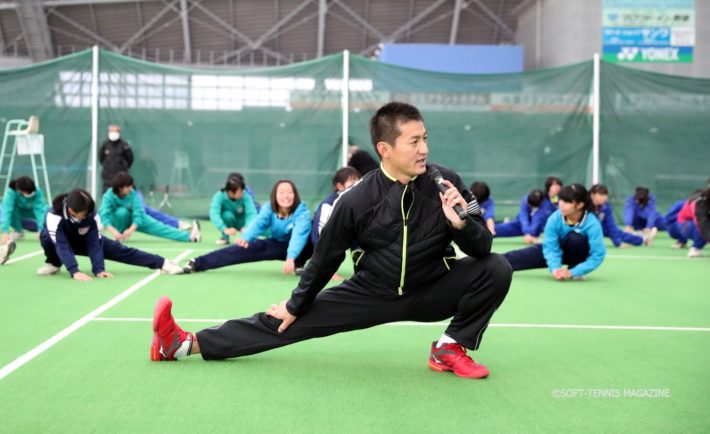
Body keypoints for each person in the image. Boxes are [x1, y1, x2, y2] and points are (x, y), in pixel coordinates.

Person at [151, 102, 512, 380]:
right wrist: (295, 305)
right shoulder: (356, 200)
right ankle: (183, 345)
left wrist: (462, 223)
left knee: (498, 268)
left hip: (434, 287)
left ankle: (449, 347)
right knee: (285, 322)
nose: (424, 149)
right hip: (373, 292)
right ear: (385, 149)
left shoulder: (447, 183)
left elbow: (482, 250)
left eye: (425, 139)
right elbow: (324, 258)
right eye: (414, 141)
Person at [36, 189, 185, 280]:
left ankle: (164, 263)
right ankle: (54, 264)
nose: (88, 215)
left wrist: (98, 269)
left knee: (123, 250)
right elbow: (61, 245)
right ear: (71, 211)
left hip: (84, 241)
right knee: (46, 236)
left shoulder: (91, 215)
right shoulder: (53, 215)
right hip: (62, 242)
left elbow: (94, 242)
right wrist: (74, 270)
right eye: (84, 213)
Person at [184, 179, 312, 275]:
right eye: (281, 192)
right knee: (241, 248)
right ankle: (197, 263)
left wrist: (291, 257)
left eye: (290, 192)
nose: (286, 196)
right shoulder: (269, 208)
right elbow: (258, 223)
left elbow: (298, 236)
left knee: (310, 239)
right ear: (275, 195)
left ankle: (298, 264)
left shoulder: (302, 211)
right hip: (278, 246)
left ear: (295, 195)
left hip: (301, 250)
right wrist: (246, 238)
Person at [503, 184, 606, 280]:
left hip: (578, 254)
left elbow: (597, 255)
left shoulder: (592, 223)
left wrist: (573, 272)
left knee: (576, 238)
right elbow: (550, 246)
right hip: (555, 250)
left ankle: (576, 270)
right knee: (515, 258)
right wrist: (555, 268)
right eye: (561, 200)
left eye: (567, 202)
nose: (561, 204)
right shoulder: (555, 218)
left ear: (579, 205)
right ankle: (493, 263)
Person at [100, 172, 201, 243]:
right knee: (122, 212)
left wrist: (130, 230)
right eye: (128, 187)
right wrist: (115, 232)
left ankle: (189, 236)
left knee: (160, 227)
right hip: (117, 222)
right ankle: (120, 237)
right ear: (120, 188)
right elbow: (104, 215)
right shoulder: (108, 196)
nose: (131, 188)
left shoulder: (133, 194)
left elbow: (138, 213)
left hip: (134, 222)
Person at [590, 184, 655, 247]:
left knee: (617, 232)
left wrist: (617, 243)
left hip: (600, 228)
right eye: (601, 195)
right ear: (592, 195)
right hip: (586, 230)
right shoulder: (585, 205)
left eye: (605, 195)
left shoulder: (606, 206)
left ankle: (644, 239)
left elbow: (611, 226)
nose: (604, 197)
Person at [310, 166, 361, 246]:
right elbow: (319, 236)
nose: (357, 185)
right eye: (352, 182)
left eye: (358, 181)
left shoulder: (361, 201)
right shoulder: (328, 205)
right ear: (339, 186)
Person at [210, 173, 258, 245]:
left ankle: (246, 238)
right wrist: (224, 229)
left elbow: (252, 213)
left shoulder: (245, 195)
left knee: (264, 227)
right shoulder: (219, 196)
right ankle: (225, 238)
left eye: (242, 190)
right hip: (229, 222)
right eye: (240, 191)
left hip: (242, 222)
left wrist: (247, 227)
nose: (243, 193)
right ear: (230, 193)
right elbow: (214, 213)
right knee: (226, 215)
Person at [1, 176, 49, 244]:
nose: (29, 194)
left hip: (32, 211)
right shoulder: (11, 192)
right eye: (27, 192)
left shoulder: (37, 191)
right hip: (18, 213)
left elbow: (40, 211)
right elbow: (7, 211)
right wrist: (5, 232)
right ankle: (18, 231)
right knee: (10, 212)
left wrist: (40, 230)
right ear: (19, 190)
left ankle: (45, 230)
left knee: (47, 212)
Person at [99, 124, 134, 193]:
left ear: (119, 133)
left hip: (121, 178)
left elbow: (130, 159)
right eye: (112, 131)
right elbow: (101, 158)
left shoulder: (125, 146)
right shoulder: (104, 145)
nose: (113, 134)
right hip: (107, 178)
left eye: (115, 132)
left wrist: (123, 167)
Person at [677, 190, 707, 258]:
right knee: (702, 226)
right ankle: (695, 248)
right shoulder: (697, 203)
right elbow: (699, 220)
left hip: (694, 224)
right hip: (685, 226)